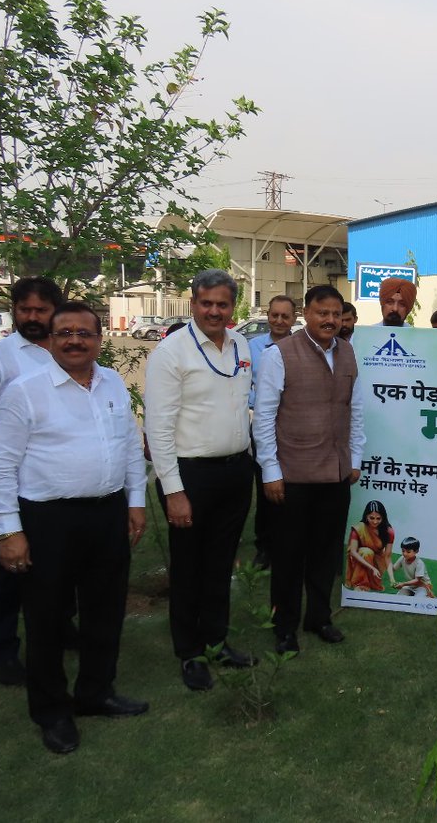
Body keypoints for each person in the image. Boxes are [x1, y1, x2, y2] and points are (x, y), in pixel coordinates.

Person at [0, 302, 148, 755]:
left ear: (99, 339)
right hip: (47, 519)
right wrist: (9, 532)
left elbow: (129, 446)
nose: (75, 341)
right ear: (51, 340)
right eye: (65, 333)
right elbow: (1, 467)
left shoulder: (111, 382)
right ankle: (52, 711)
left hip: (107, 513)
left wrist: (136, 501)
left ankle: (96, 692)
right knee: (47, 618)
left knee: (105, 610)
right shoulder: (24, 391)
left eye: (84, 333)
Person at [144, 269, 256, 691]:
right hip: (189, 476)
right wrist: (174, 491)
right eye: (206, 303)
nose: (214, 311)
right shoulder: (171, 352)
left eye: (222, 304)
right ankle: (189, 653)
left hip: (235, 470)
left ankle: (216, 641)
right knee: (189, 567)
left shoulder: (241, 344)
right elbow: (158, 428)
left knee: (220, 564)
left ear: (232, 307)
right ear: (193, 303)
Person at [0, 275, 64, 686]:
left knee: (61, 563)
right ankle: (2, 649)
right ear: (14, 311)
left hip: (58, 482)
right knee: (7, 567)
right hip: (11, 483)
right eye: (25, 310)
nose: (32, 317)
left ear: (56, 311)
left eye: (41, 310)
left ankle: (63, 628)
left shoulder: (68, 349)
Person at [254, 284, 365, 653]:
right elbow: (264, 417)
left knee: (325, 552)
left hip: (335, 473)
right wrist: (270, 470)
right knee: (288, 554)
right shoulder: (279, 354)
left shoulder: (347, 352)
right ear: (306, 314)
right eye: (322, 313)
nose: (330, 320)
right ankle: (284, 626)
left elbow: (355, 409)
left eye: (335, 314)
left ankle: (319, 617)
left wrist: (355, 458)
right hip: (293, 475)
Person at [247, 295, 298, 569]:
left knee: (292, 490)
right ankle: (264, 547)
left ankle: (288, 545)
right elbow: (243, 384)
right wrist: (259, 403)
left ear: (294, 318)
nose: (279, 320)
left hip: (292, 429)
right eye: (274, 315)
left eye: (285, 316)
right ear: (268, 315)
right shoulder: (252, 347)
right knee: (266, 486)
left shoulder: (301, 347)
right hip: (263, 426)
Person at [346, 500, 395, 592]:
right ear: (366, 516)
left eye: (378, 518)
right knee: (367, 552)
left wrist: (392, 579)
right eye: (371, 518)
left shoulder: (389, 532)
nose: (375, 521)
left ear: (383, 518)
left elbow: (387, 556)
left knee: (369, 554)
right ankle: (361, 584)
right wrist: (372, 568)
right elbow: (353, 552)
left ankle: (371, 582)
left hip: (376, 561)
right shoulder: (359, 528)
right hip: (358, 559)